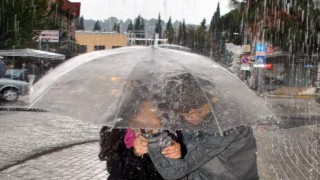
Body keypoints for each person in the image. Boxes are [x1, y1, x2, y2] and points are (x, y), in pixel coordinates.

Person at [145, 73, 259, 180]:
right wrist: (175, 147)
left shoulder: (226, 125)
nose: (192, 117)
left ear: (213, 98)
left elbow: (173, 172)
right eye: (185, 112)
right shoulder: (190, 114)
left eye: (199, 111)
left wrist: (156, 134)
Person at [99, 79, 184, 180]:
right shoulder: (116, 132)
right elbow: (114, 170)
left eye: (155, 120)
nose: (149, 126)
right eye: (142, 120)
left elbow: (175, 171)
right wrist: (135, 154)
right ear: (131, 116)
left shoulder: (170, 133)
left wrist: (180, 153)